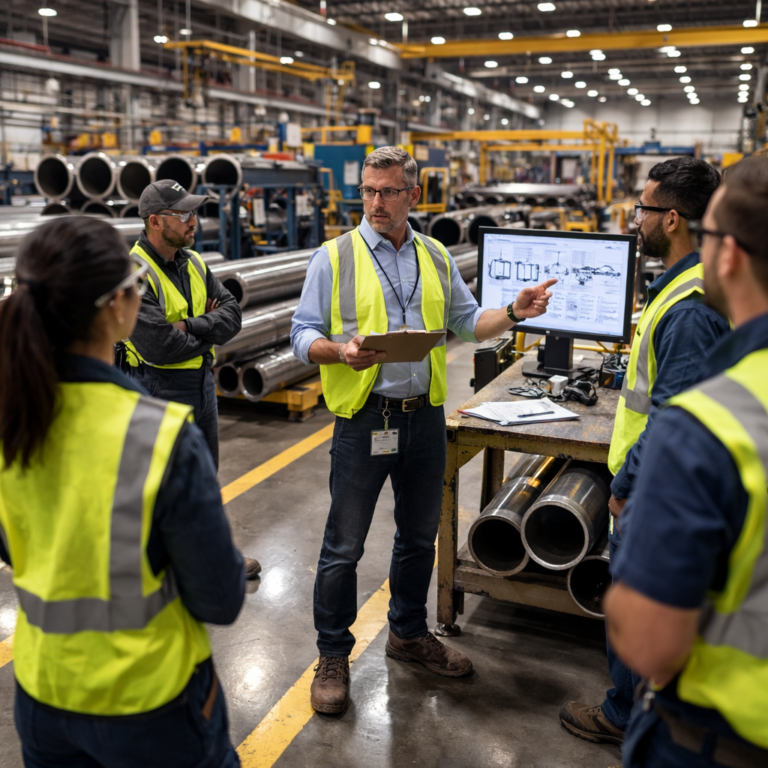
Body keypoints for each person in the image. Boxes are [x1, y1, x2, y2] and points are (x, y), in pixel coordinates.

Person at [291, 146, 556, 714]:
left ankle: (408, 633)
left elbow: (468, 322)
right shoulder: (333, 257)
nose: (376, 202)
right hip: (365, 421)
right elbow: (301, 334)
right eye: (368, 190)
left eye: (388, 191)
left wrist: (512, 311)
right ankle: (332, 654)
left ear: (414, 194)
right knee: (344, 546)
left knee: (418, 539)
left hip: (423, 419)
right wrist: (339, 351)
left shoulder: (435, 255)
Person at [0, 217, 245, 767]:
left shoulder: (11, 420)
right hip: (147, 700)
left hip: (43, 697)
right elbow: (221, 599)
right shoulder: (158, 435)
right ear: (117, 308)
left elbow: (18, 548)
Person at [604, 154, 768, 766]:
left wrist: (628, 496)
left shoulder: (712, 421)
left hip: (716, 735)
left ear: (725, 252)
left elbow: (650, 639)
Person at [559, 157, 730, 746]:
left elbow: (672, 415)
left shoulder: (687, 308)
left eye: (643, 209)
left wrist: (627, 487)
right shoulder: (687, 285)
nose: (635, 221)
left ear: (674, 219)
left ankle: (625, 716)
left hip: (653, 489)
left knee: (635, 606)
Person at [126, 179, 260, 579]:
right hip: (158, 389)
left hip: (201, 386)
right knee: (163, 483)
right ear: (155, 221)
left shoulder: (195, 263)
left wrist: (190, 325)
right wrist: (207, 329)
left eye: (193, 213)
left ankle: (207, 554)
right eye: (183, 214)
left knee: (204, 477)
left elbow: (233, 315)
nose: (193, 222)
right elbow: (159, 346)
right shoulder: (135, 273)